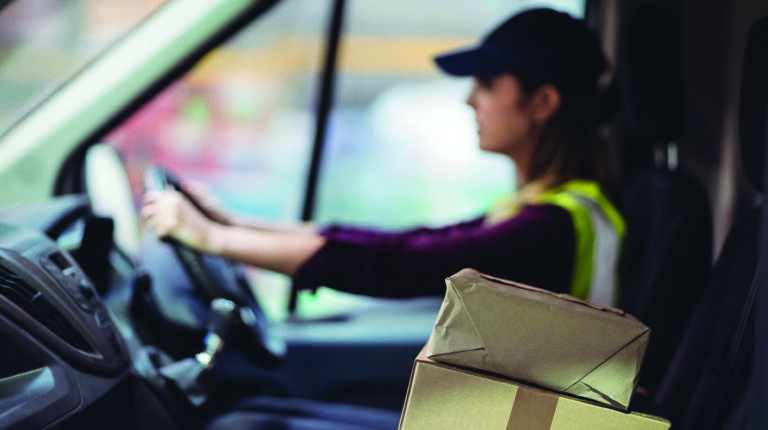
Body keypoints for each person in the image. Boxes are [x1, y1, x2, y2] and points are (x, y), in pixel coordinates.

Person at [141, 8, 625, 307]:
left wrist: (216, 239)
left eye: (486, 84)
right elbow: (410, 241)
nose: (469, 100)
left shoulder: (552, 226)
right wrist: (237, 223)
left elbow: (401, 264)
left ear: (542, 103)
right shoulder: (551, 209)